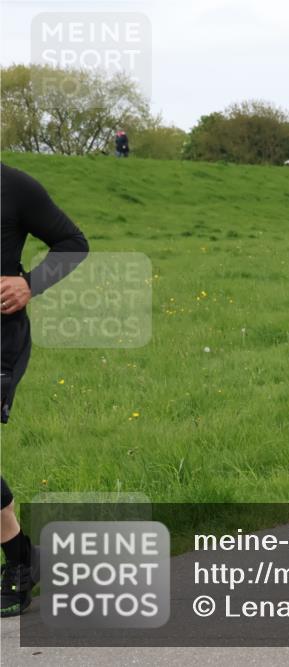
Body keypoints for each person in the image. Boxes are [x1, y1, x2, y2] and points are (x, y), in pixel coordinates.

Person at [1, 163, 89, 616]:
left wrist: (29, 283)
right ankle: (22, 559)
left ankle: (21, 563)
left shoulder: (13, 187)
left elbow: (74, 244)